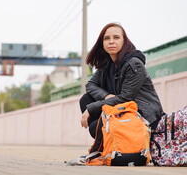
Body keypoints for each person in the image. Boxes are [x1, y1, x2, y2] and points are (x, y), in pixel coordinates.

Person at [67, 22, 165, 165]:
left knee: (95, 126)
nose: (111, 41)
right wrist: (106, 96)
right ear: (102, 43)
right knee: (86, 99)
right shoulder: (107, 64)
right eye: (106, 38)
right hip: (123, 110)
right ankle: (109, 146)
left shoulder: (134, 64)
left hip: (142, 116)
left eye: (116, 37)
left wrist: (92, 108)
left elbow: (126, 98)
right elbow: (90, 85)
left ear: (124, 41)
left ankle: (109, 146)